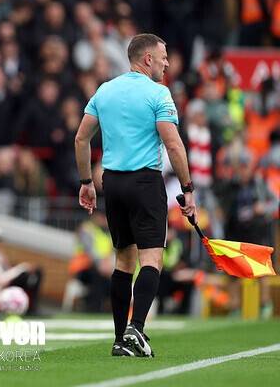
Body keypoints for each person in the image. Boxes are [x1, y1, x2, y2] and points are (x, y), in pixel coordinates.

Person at [75, 34, 196, 358]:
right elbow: (173, 145)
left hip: (112, 183)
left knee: (123, 261)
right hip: (145, 182)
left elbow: (81, 139)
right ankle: (137, 329)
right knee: (151, 259)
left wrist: (86, 182)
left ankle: (119, 340)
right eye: (163, 57)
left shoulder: (105, 90)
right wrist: (187, 189)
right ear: (147, 59)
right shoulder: (158, 93)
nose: (167, 63)